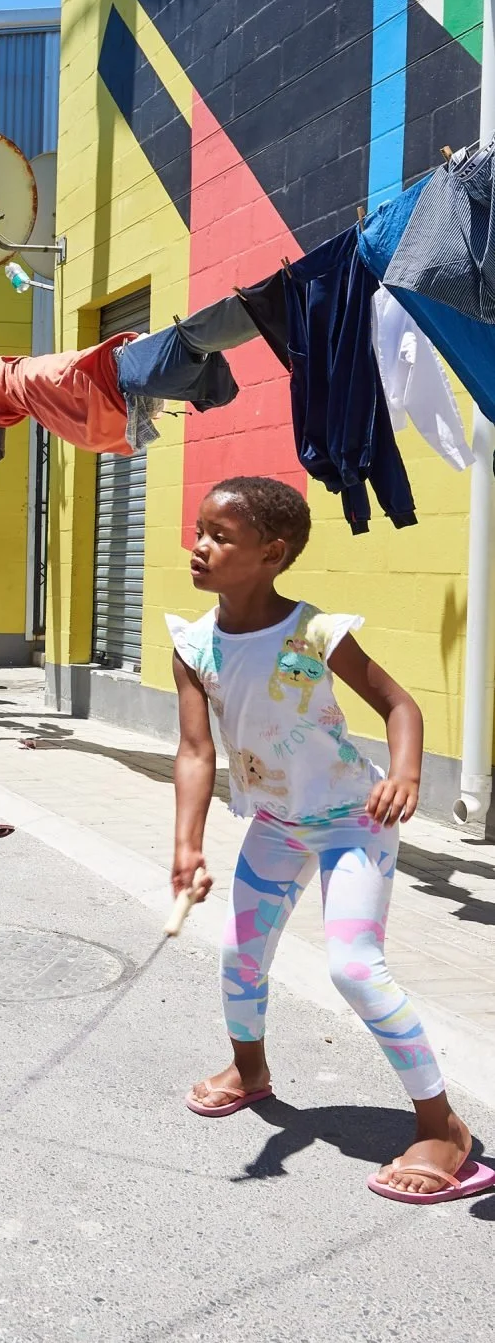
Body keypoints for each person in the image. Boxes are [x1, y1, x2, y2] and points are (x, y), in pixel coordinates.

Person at [169, 474, 492, 1205]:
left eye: (221, 537)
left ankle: (442, 1128)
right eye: (199, 531)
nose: (200, 546)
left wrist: (405, 773)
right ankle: (250, 1070)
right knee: (239, 954)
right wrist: (187, 844)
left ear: (272, 553)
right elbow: (195, 751)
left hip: (353, 820)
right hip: (277, 825)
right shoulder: (193, 645)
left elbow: (398, 704)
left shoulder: (312, 632)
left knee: (353, 967)